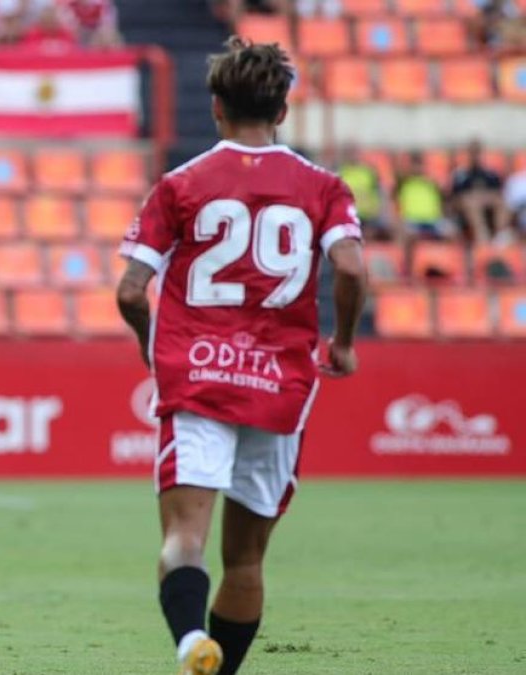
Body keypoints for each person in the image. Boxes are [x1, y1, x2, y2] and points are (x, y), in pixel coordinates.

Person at [115, 37, 366, 675]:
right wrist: (342, 341)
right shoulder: (324, 187)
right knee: (247, 560)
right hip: (280, 383)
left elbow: (130, 292)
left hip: (197, 380)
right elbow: (352, 267)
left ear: (217, 107)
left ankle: (186, 644)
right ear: (282, 112)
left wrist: (158, 356)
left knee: (183, 540)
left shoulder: (179, 185)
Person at [451, 140, 514, 245]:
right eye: (472, 153)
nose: (475, 156)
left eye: (478, 152)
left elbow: (498, 193)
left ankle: (499, 234)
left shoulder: (490, 174)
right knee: (471, 203)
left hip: (487, 206)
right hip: (466, 208)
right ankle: (482, 236)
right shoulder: (460, 174)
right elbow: (456, 198)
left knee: (502, 202)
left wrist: (483, 197)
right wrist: (476, 197)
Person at [394, 152, 454, 242]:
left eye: (419, 164)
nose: (417, 167)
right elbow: (396, 173)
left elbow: (445, 195)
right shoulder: (404, 182)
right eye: (414, 164)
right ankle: (403, 255)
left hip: (433, 220)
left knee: (452, 233)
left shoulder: (431, 182)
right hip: (411, 220)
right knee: (405, 233)